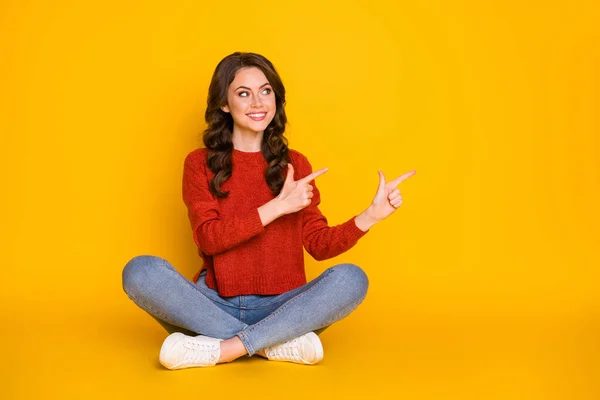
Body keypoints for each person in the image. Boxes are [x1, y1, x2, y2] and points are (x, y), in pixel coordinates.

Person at [122, 51, 416, 370]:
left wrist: (370, 216)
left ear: (276, 98)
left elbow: (319, 245)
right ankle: (270, 344)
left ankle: (224, 348)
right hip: (211, 303)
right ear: (224, 103)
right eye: (243, 94)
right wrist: (276, 207)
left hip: (282, 307)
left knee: (351, 279)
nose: (258, 103)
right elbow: (209, 239)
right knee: (140, 271)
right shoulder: (199, 164)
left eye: (265, 91)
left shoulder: (296, 164)